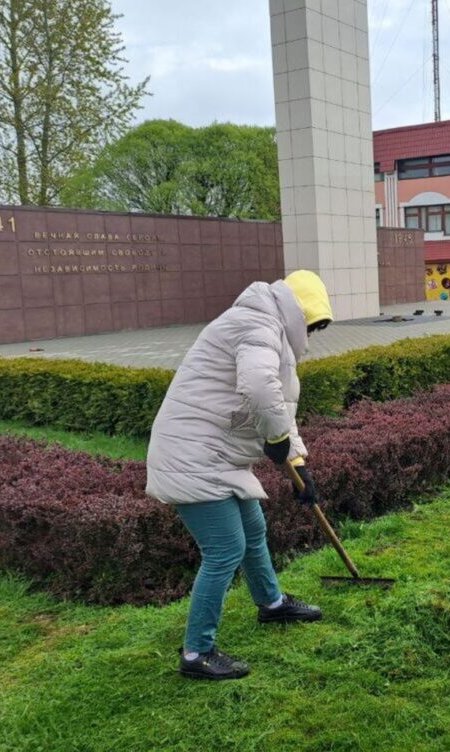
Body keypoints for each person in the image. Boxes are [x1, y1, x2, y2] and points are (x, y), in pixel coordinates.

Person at [146, 271, 334, 681]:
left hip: (216, 454)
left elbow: (278, 405)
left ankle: (271, 604)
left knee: (252, 529)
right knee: (225, 549)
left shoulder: (268, 328)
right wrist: (278, 439)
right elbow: (260, 390)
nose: (312, 335)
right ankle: (197, 652)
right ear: (298, 311)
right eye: (313, 326)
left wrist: (297, 462)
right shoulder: (256, 324)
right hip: (192, 454)